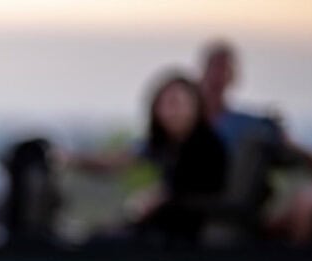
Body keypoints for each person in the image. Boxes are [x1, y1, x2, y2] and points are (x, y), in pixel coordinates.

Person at [200, 40, 312, 244]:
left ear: (233, 76)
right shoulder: (187, 125)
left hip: (239, 214)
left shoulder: (251, 125)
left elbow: (298, 155)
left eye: (225, 68)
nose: (218, 75)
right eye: (215, 67)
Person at [70, 72, 228, 244]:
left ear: (195, 107)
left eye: (177, 103)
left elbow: (199, 199)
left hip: (183, 241)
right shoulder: (167, 144)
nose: (170, 112)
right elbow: (119, 161)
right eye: (165, 104)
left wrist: (157, 202)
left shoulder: (206, 147)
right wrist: (71, 160)